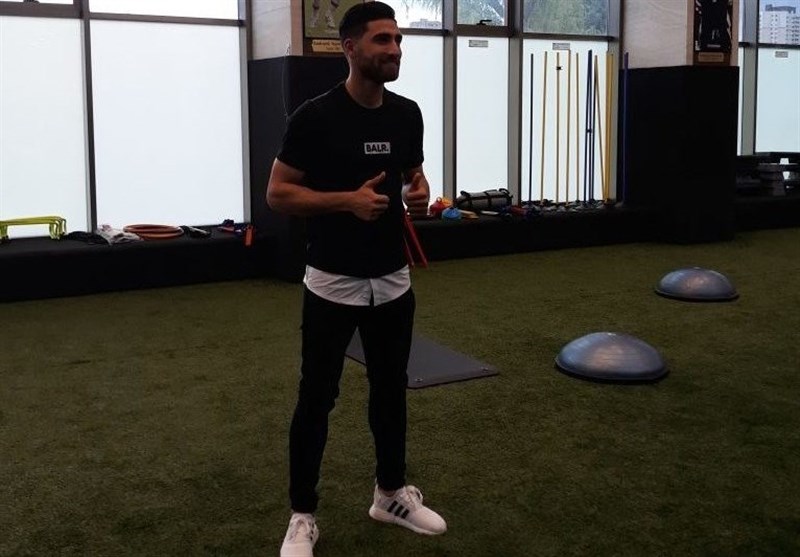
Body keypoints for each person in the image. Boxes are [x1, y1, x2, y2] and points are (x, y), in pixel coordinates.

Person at [267, 2, 447, 556]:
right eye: (382, 40)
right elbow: (278, 194)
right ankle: (302, 516)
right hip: (332, 283)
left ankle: (390, 494)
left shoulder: (407, 114)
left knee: (391, 392)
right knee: (317, 399)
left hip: (392, 282)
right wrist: (346, 201)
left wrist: (418, 193)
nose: (394, 50)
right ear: (350, 48)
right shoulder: (315, 117)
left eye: (398, 40)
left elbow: (413, 177)